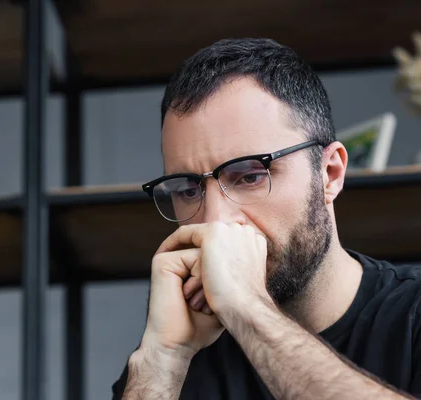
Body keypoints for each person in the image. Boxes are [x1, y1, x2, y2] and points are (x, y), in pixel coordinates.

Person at [111, 38, 421, 399]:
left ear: (330, 174)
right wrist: (162, 357)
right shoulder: (176, 358)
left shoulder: (412, 317)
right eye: (188, 190)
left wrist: (248, 309)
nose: (215, 221)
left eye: (250, 176)